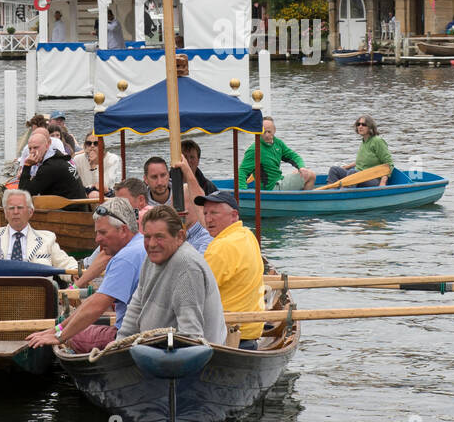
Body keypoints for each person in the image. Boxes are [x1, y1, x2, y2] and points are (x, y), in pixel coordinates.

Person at [26, 199, 145, 353]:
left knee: (75, 337)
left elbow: (96, 305)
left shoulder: (125, 258)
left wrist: (59, 336)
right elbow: (94, 303)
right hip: (145, 330)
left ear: (123, 230)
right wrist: (59, 327)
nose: (97, 239)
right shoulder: (141, 243)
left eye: (103, 232)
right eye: (97, 233)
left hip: (130, 337)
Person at [115, 205, 227, 344]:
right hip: (154, 349)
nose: (152, 244)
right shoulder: (151, 259)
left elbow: (191, 336)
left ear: (180, 237)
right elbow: (135, 308)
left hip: (186, 358)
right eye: (147, 237)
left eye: (159, 237)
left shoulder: (186, 266)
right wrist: (119, 342)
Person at [195, 190, 265, 348]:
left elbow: (196, 294)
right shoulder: (247, 235)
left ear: (234, 215)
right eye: (205, 213)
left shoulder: (220, 247)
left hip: (227, 336)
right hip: (250, 331)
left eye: (214, 213)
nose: (208, 219)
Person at [0, 190, 78, 275]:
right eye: (11, 208)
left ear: (30, 212)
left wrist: (76, 274)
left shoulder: (47, 239)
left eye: (20, 208)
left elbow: (65, 263)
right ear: (6, 213)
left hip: (37, 293)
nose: (15, 212)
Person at [237, 117, 316, 191]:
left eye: (269, 131)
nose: (267, 135)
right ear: (258, 131)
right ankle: (304, 202)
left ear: (274, 130)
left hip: (279, 180)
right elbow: (242, 172)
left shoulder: (278, 143)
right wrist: (242, 192)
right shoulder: (255, 149)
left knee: (300, 172)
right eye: (264, 132)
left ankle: (297, 200)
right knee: (311, 175)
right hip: (271, 188)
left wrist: (301, 167)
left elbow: (293, 156)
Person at [18, 127, 87, 200]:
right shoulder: (57, 155)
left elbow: (24, 194)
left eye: (36, 148)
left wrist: (27, 165)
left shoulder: (50, 166)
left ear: (47, 145)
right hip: (75, 204)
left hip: (71, 209)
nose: (32, 152)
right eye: (30, 148)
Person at [327, 112, 394, 188]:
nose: (360, 126)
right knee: (334, 170)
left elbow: (389, 163)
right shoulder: (364, 141)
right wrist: (347, 167)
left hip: (373, 179)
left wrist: (383, 182)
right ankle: (331, 193)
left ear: (370, 127)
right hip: (358, 175)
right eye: (358, 124)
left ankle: (345, 193)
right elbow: (362, 161)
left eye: (363, 124)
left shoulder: (377, 141)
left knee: (352, 172)